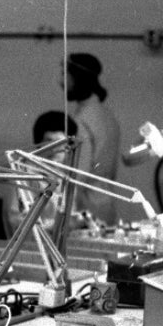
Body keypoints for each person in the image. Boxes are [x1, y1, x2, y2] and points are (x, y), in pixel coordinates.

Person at [60, 52, 122, 224]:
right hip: (106, 203)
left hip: (86, 208)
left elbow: (79, 174)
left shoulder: (81, 121)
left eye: (66, 75)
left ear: (78, 78)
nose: (62, 82)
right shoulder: (107, 115)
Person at [4, 110, 83, 236]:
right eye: (50, 142)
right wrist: (53, 226)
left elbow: (69, 218)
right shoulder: (22, 174)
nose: (56, 149)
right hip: (30, 247)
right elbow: (15, 220)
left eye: (61, 143)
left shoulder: (66, 179)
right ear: (39, 144)